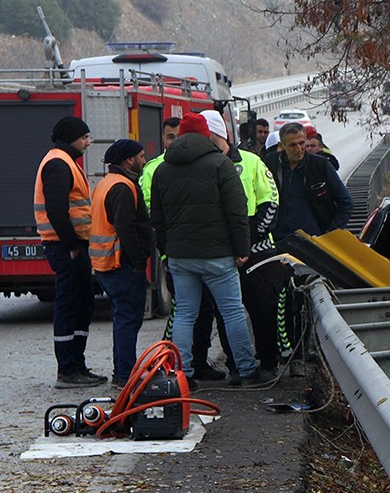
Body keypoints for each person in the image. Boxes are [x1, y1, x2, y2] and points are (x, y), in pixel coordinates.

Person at [150, 112, 265, 386]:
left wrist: (168, 252)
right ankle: (246, 370)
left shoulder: (162, 170)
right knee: (233, 312)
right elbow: (237, 212)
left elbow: (158, 218)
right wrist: (242, 248)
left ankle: (182, 373)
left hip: (180, 257)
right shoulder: (220, 164)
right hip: (218, 255)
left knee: (185, 314)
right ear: (206, 134)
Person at [188, 110, 291, 380]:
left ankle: (267, 362)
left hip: (256, 252)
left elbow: (270, 203)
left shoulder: (252, 162)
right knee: (225, 314)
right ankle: (236, 366)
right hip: (220, 253)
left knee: (263, 309)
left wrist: (246, 244)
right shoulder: (199, 166)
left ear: (218, 135)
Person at [35, 116, 106, 388]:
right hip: (65, 246)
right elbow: (56, 210)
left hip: (71, 245)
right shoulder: (58, 163)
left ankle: (77, 364)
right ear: (71, 137)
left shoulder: (65, 161)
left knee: (82, 304)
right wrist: (72, 246)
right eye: (84, 137)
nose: (88, 142)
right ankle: (67, 369)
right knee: (68, 306)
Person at [89, 139, 151, 388]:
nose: (144, 160)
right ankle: (125, 374)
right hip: (121, 265)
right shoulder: (123, 187)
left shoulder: (105, 183)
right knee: (128, 320)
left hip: (106, 264)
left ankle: (123, 372)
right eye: (141, 156)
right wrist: (139, 262)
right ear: (129, 160)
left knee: (122, 319)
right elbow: (126, 228)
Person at [266, 121, 353, 241]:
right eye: (292, 145)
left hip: (313, 242)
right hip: (279, 241)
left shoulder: (320, 165)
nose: (299, 149)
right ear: (282, 145)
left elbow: (346, 202)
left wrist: (330, 235)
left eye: (301, 143)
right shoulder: (270, 163)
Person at [138, 117, 181, 209]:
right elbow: (147, 202)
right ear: (163, 139)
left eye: (179, 137)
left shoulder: (196, 162)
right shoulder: (151, 168)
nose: (176, 142)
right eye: (171, 137)